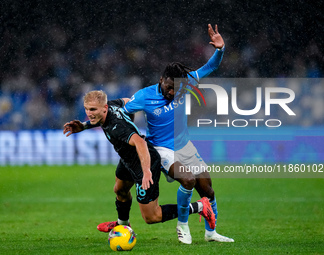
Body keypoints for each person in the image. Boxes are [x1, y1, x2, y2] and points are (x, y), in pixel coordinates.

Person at [98, 24, 234, 243]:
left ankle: (211, 233)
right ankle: (183, 226)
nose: (173, 92)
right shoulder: (145, 96)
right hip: (161, 149)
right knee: (187, 180)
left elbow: (210, 67)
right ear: (161, 80)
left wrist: (220, 49)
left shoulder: (185, 83)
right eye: (170, 88)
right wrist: (127, 133)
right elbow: (122, 112)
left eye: (176, 89)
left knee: (207, 189)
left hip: (185, 146)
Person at [63, 90, 215, 243]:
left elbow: (140, 142)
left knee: (151, 216)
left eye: (93, 110)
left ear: (104, 108)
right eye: (87, 109)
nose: (89, 113)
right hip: (128, 158)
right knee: (120, 190)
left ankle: (200, 206)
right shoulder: (112, 106)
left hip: (143, 162)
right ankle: (122, 225)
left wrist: (147, 171)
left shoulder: (117, 126)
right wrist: (83, 126)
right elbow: (128, 101)